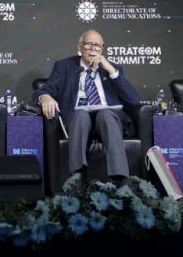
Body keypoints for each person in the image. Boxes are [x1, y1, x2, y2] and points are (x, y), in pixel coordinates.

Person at [34, 28, 141, 183]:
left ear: (102, 49)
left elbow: (134, 100)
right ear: (80, 46)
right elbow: (45, 90)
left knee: (106, 114)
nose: (93, 48)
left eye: (97, 45)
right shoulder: (64, 67)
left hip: (108, 121)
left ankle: (120, 180)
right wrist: (45, 97)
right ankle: (76, 178)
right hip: (78, 120)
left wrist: (110, 70)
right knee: (81, 114)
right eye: (88, 44)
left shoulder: (112, 68)